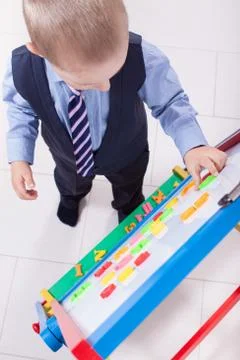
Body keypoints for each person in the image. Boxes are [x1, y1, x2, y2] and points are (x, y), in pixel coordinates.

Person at [3, 0, 227, 227]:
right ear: (40, 52)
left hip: (127, 152)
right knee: (70, 182)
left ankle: (128, 206)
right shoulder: (23, 70)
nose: (105, 87)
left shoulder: (141, 56)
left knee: (129, 185)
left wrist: (193, 146)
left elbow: (170, 102)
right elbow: (21, 109)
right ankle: (71, 199)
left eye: (114, 71)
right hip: (67, 156)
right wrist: (19, 157)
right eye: (89, 82)